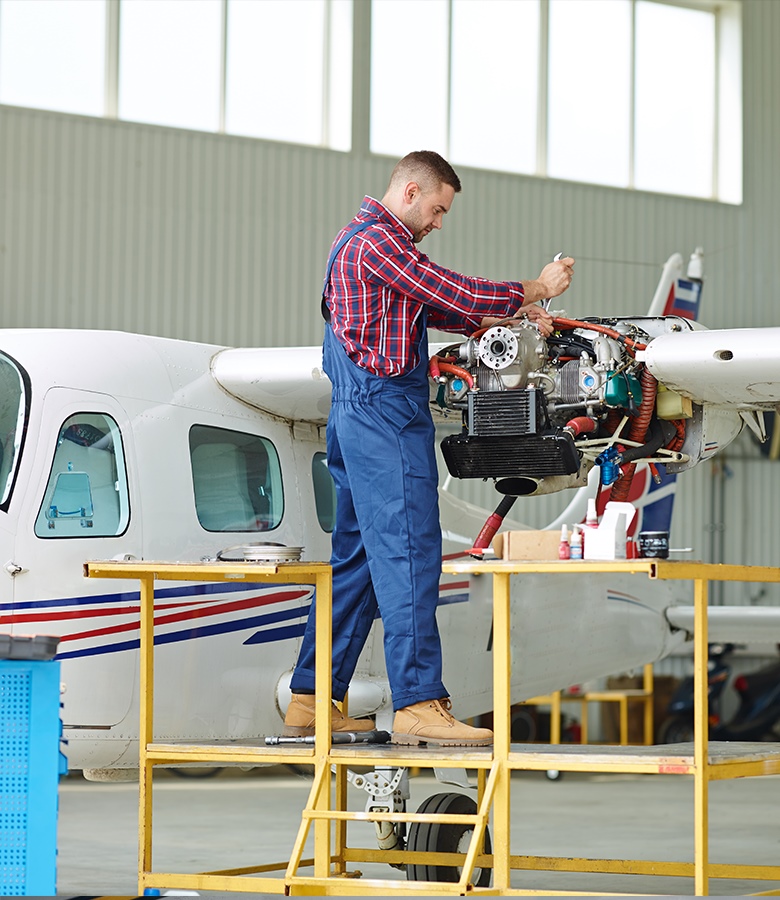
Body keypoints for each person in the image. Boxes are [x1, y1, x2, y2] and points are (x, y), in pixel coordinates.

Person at [284, 150, 574, 746]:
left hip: (357, 416)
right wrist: (536, 287)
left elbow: (439, 308)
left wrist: (517, 315)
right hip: (385, 419)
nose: (439, 223)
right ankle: (418, 702)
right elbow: (456, 294)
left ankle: (312, 699)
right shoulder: (376, 243)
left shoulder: (365, 249)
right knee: (411, 553)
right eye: (438, 210)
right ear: (411, 191)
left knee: (358, 561)